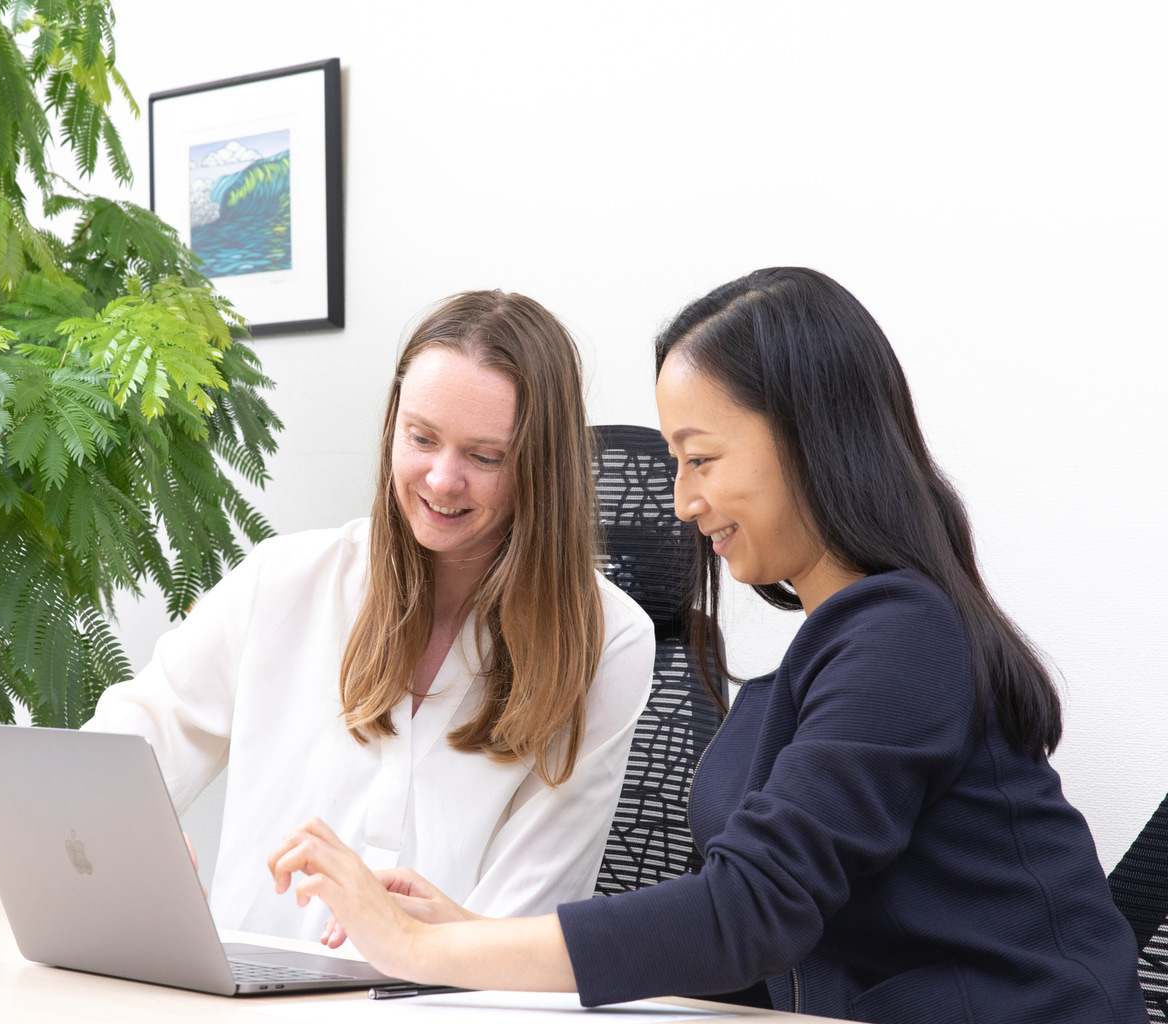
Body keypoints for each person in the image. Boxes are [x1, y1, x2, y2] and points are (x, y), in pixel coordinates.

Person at [268, 268, 1149, 1023]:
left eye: (701, 458)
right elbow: (742, 938)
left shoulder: (905, 638)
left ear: (808, 442)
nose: (683, 501)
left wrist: (423, 950)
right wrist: (467, 935)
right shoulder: (847, 649)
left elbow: (748, 913)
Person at [83, 290, 656, 942]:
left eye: (485, 457)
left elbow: (526, 930)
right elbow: (114, 753)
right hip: (242, 984)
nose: (442, 479)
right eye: (422, 438)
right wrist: (133, 840)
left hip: (444, 995)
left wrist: (408, 940)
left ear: (543, 468)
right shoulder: (284, 579)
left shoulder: (607, 641)